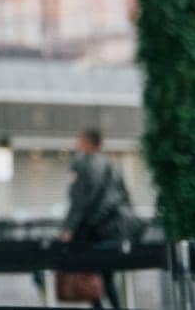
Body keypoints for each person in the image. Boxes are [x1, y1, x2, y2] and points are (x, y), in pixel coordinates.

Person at [60, 128, 136, 309]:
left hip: (90, 231)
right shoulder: (113, 166)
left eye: (80, 141)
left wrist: (68, 228)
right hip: (112, 231)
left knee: (90, 276)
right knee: (107, 277)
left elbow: (78, 201)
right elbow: (125, 198)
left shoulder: (80, 164)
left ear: (86, 143)